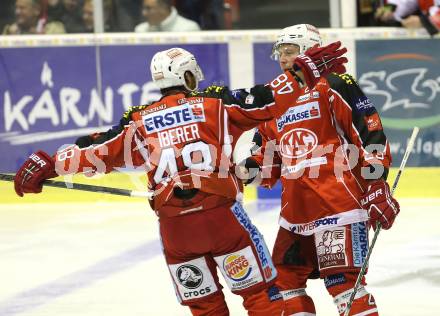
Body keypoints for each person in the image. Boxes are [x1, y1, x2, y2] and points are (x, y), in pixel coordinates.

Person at [13, 43, 347, 315]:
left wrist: (50, 164)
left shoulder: (139, 123)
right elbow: (266, 99)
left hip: (176, 231)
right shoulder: (213, 105)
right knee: (260, 295)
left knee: (206, 307)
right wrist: (301, 73)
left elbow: (97, 150)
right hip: (222, 220)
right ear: (187, 76)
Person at [240, 24, 400, 316]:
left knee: (342, 285)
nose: (282, 59)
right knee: (284, 281)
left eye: (290, 52)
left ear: (308, 52)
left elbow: (369, 132)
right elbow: (267, 155)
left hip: (337, 206)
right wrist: (238, 172)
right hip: (295, 214)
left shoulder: (334, 83)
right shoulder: (275, 98)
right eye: (280, 52)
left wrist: (376, 183)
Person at [134, 0, 200, 32]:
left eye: (148, 8)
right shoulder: (141, 30)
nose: (144, 13)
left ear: (163, 8)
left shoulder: (189, 29)